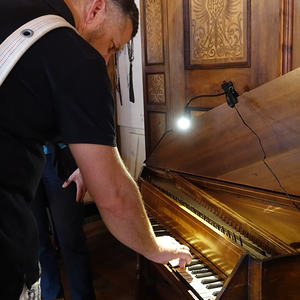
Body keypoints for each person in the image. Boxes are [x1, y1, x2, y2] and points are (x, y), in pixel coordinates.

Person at [0, 0, 192, 299]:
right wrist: (155, 248)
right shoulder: (78, 57)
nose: (104, 59)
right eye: (112, 46)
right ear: (97, 8)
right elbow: (114, 197)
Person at [30, 143, 95, 300]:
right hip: (20, 163)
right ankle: (53, 296)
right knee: (37, 243)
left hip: (64, 156)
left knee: (71, 240)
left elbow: (83, 120)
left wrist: (83, 164)